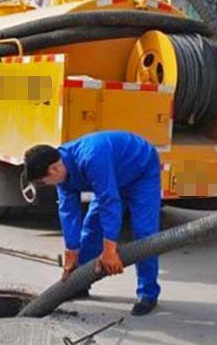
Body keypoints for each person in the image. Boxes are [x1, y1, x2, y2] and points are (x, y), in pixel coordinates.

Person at [23, 131, 161, 316]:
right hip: (112, 177)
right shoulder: (62, 173)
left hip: (140, 170)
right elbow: (68, 212)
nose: (46, 184)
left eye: (43, 181)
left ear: (54, 169)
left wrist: (110, 250)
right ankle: (81, 282)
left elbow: (109, 201)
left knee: (144, 234)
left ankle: (148, 294)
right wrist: (71, 252)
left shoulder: (91, 157)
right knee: (91, 231)